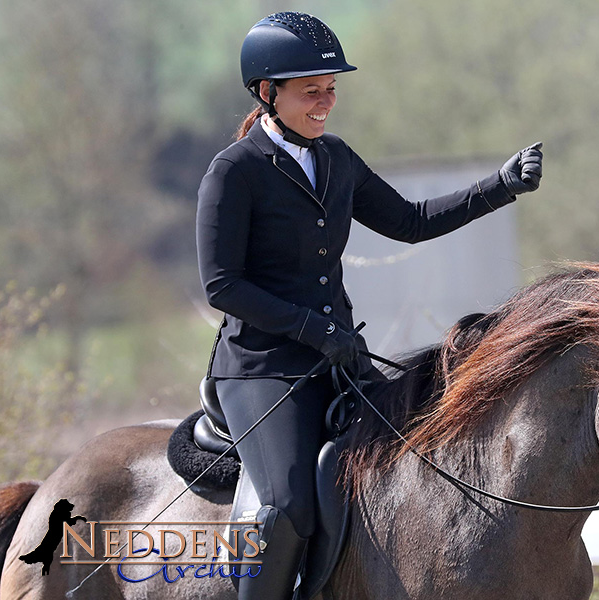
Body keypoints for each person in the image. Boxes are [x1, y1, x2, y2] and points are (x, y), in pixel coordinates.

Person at [196, 12, 543, 599]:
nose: (326, 102)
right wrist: (308, 326)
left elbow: (410, 222)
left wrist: (500, 185)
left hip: (339, 360)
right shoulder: (235, 172)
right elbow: (222, 286)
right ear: (267, 93)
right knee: (286, 506)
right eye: (312, 92)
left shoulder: (334, 158)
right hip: (264, 370)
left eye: (331, 89)